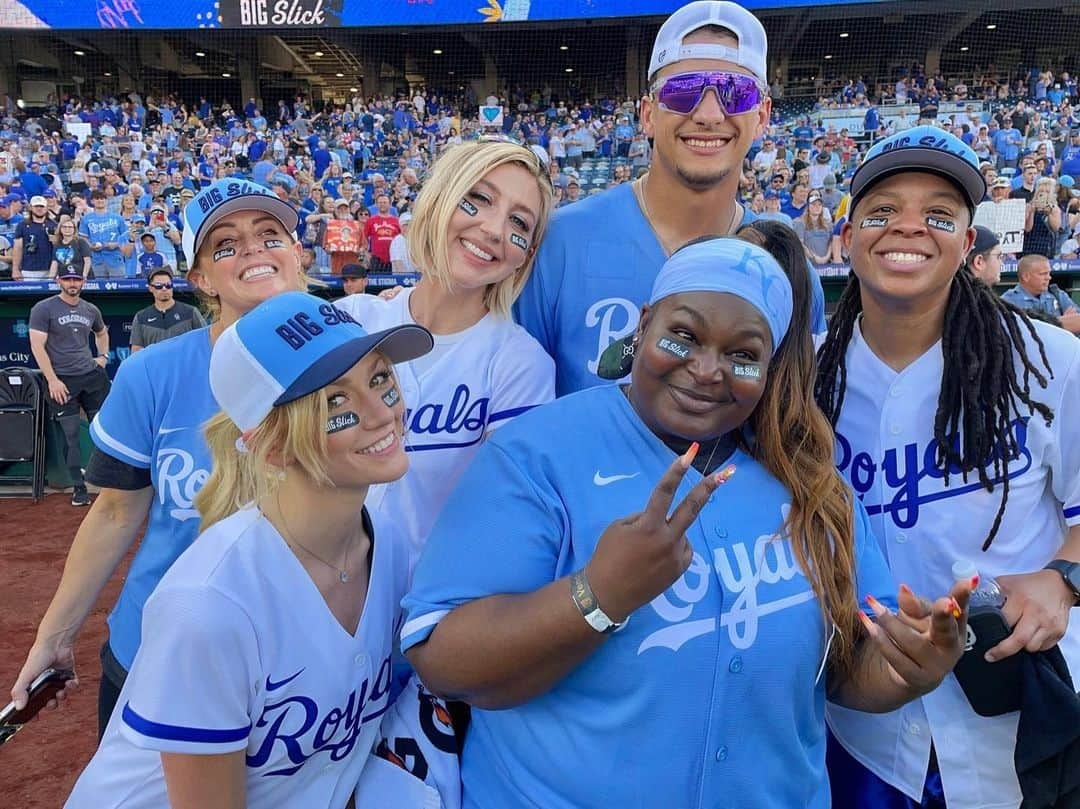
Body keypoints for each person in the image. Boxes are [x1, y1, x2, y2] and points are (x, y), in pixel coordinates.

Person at [402, 234, 969, 808]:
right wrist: (595, 596)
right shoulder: (538, 453)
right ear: (644, 324)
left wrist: (908, 669)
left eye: (743, 355)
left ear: (770, 368)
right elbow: (442, 656)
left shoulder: (811, 482)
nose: (706, 370)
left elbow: (847, 672)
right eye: (683, 336)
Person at [66, 291, 434, 808]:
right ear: (272, 445)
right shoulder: (209, 604)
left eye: (379, 379)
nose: (381, 414)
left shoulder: (388, 547)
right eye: (335, 401)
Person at [815, 126, 1080, 808]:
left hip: (1023, 721)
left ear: (967, 244)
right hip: (863, 730)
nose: (909, 226)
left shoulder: (1050, 360)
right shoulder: (806, 375)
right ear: (847, 237)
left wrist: (1064, 579)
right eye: (882, 211)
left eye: (939, 213)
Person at [10, 178, 311, 738]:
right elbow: (116, 513)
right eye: (224, 245)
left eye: (270, 234)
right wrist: (54, 636)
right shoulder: (155, 372)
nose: (251, 249)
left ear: (299, 254)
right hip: (159, 652)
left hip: (299, 664)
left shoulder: (358, 362)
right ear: (199, 279)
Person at [515, 0, 826, 396]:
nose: (709, 114)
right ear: (647, 114)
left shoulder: (787, 269)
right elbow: (518, 422)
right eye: (683, 91)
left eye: (736, 93)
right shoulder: (560, 243)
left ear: (762, 116)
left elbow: (797, 426)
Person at [337, 139, 556, 569]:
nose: (494, 230)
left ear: (524, 256)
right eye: (479, 199)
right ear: (440, 199)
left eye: (518, 222)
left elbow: (500, 520)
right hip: (318, 593)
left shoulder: (520, 365)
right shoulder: (350, 321)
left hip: (430, 612)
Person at [27, 268, 110, 506]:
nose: (72, 283)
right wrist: (52, 379)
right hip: (62, 380)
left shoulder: (90, 309)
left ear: (83, 281)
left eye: (76, 279)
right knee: (72, 435)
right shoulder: (44, 308)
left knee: (103, 432)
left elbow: (102, 332)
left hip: (91, 377)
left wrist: (102, 357)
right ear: (58, 281)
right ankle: (79, 487)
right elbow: (37, 346)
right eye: (68, 279)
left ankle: (108, 484)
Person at [129, 267, 206, 352]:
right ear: (151, 288)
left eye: (168, 285)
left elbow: (205, 341)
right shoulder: (141, 317)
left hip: (184, 364)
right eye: (159, 286)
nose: (164, 289)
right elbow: (136, 352)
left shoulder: (190, 312)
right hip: (156, 364)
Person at [1002, 253, 1080, 335]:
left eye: (1049, 273)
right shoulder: (1008, 301)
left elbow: (1077, 322)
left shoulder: (1057, 294)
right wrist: (1062, 322)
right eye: (1043, 274)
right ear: (1026, 277)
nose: (1048, 278)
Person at [79, 188, 131, 279]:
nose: (100, 200)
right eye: (97, 198)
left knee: (119, 288)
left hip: (115, 258)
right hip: (97, 259)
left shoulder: (117, 218)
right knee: (100, 289)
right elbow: (83, 237)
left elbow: (126, 237)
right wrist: (90, 245)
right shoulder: (86, 219)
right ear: (92, 201)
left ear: (106, 200)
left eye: (102, 198)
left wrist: (115, 244)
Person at [11, 195, 56, 280]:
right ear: (31, 208)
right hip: (29, 269)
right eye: (36, 206)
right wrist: (15, 269)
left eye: (42, 206)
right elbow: (18, 248)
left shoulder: (54, 225)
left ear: (46, 208)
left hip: (50, 269)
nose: (39, 209)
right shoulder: (22, 226)